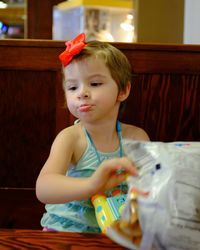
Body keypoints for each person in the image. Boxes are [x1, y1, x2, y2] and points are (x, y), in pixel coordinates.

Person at [36, 33, 149, 233]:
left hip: (118, 231)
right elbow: (44, 188)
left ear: (123, 90)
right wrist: (92, 185)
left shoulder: (136, 138)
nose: (82, 93)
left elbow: (150, 185)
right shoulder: (70, 137)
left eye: (95, 84)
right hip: (68, 230)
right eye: (72, 87)